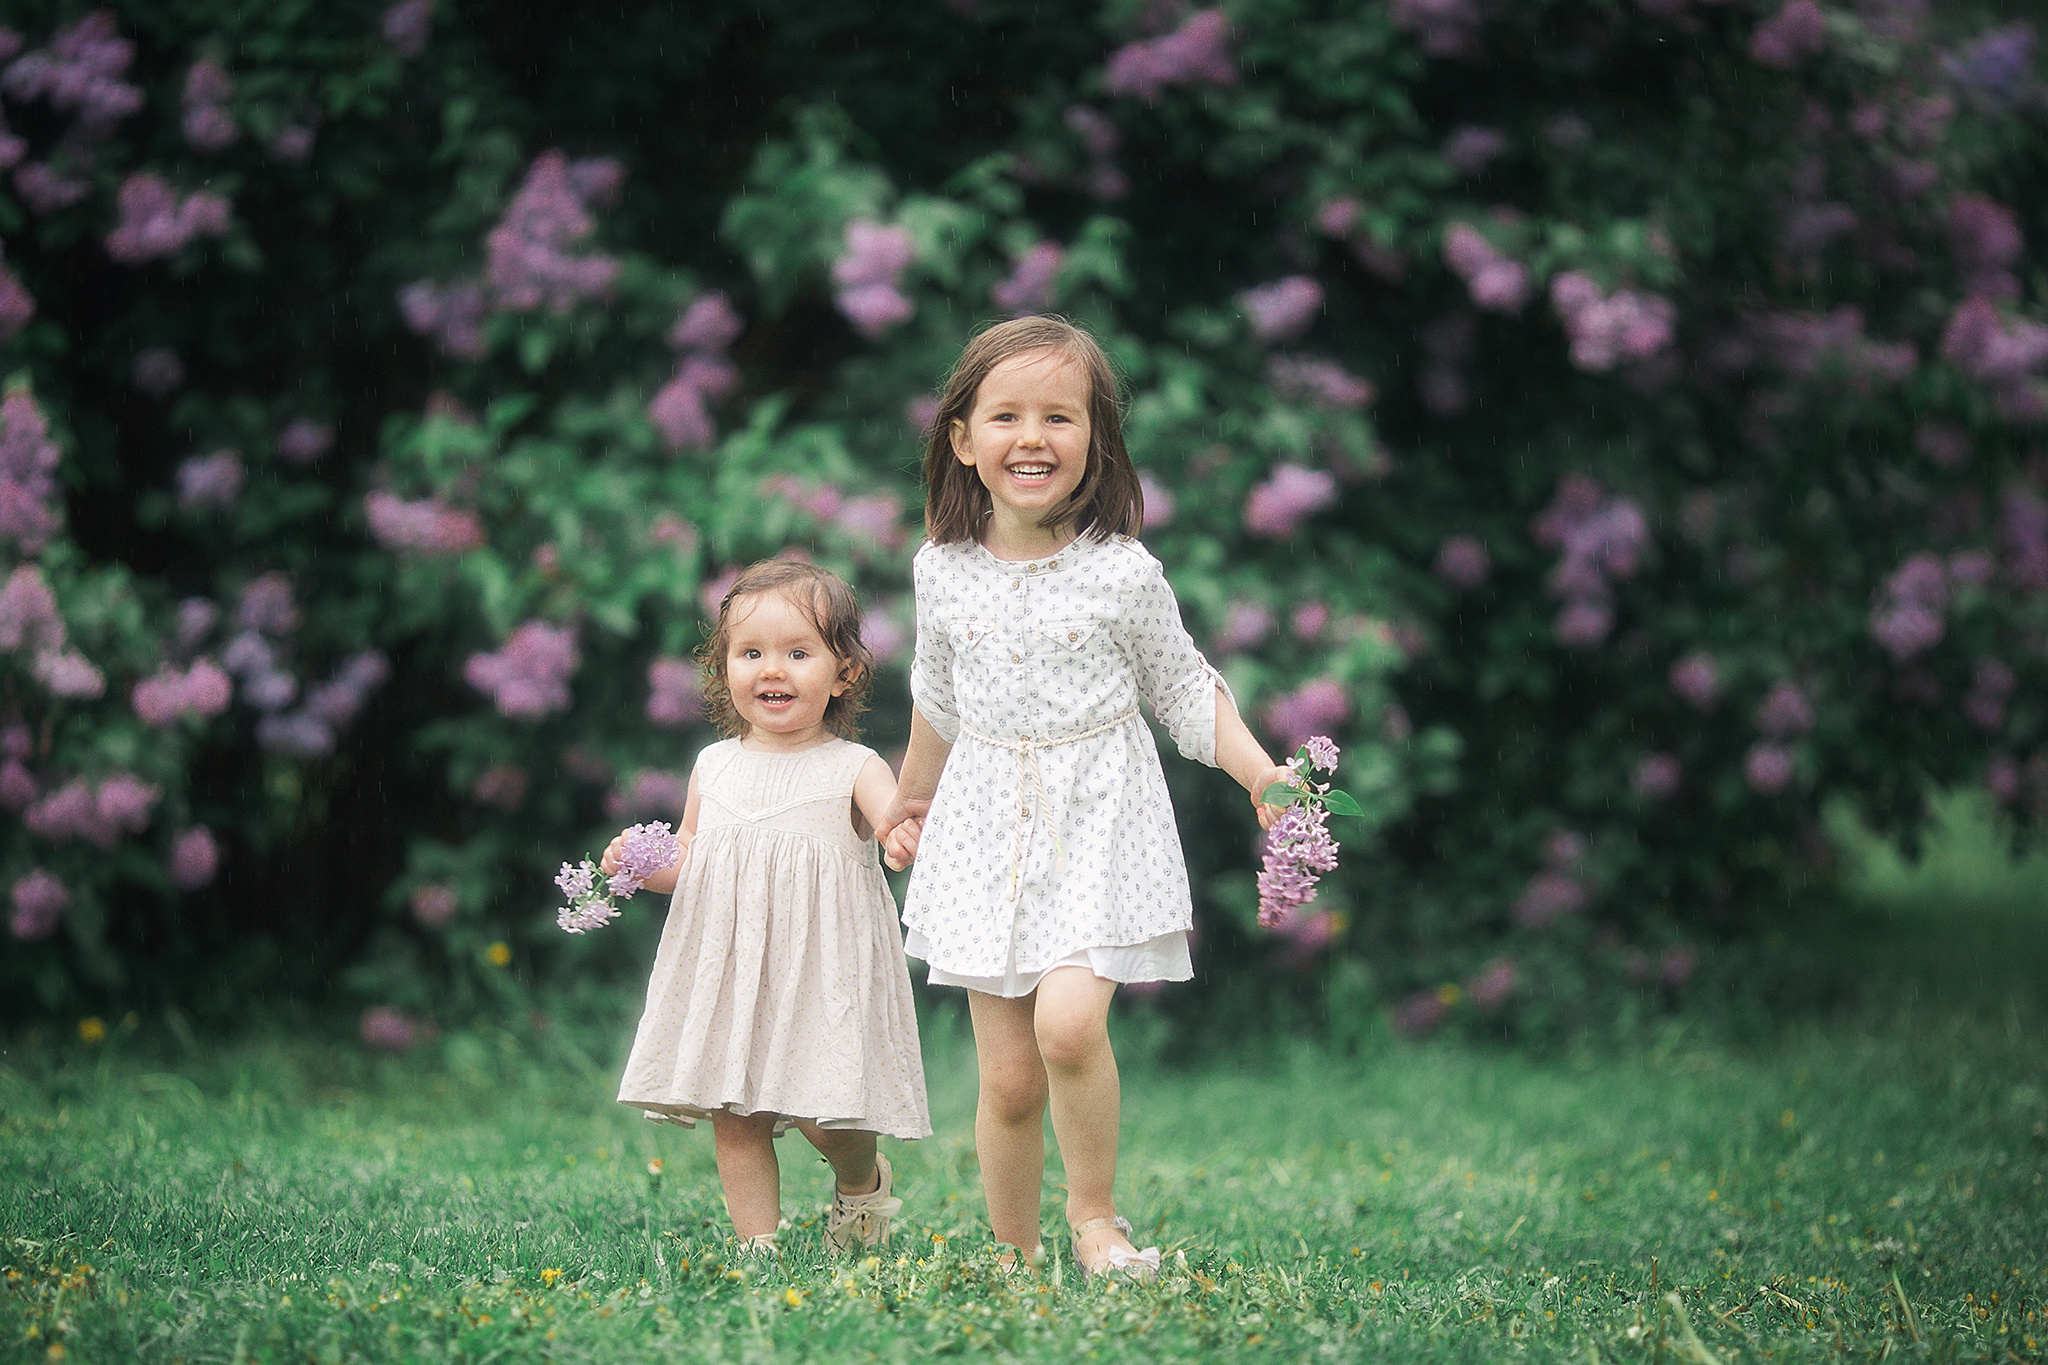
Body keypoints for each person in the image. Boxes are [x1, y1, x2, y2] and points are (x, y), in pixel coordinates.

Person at [878, 316, 1291, 1279]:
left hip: (1100, 817)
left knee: (1069, 1024)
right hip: (983, 825)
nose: (1034, 437)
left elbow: (1187, 688)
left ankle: (1096, 1219)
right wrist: (907, 799)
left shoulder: (1122, 572)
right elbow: (937, 699)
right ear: (962, 439)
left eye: (1059, 417)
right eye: (1007, 416)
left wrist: (1263, 772)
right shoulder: (940, 571)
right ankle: (1011, 1253)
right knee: (1011, 1076)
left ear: (1095, 440)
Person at [605, 558, 930, 1255]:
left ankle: (860, 1179)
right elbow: (690, 860)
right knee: (735, 1111)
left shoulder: (854, 765)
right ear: (723, 668)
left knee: (826, 1113)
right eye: (751, 653)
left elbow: (888, 815)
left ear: (843, 672)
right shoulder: (712, 765)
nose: (771, 669)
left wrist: (900, 830)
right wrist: (639, 861)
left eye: (798, 652)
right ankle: (759, 1247)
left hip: (821, 971)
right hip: (734, 970)